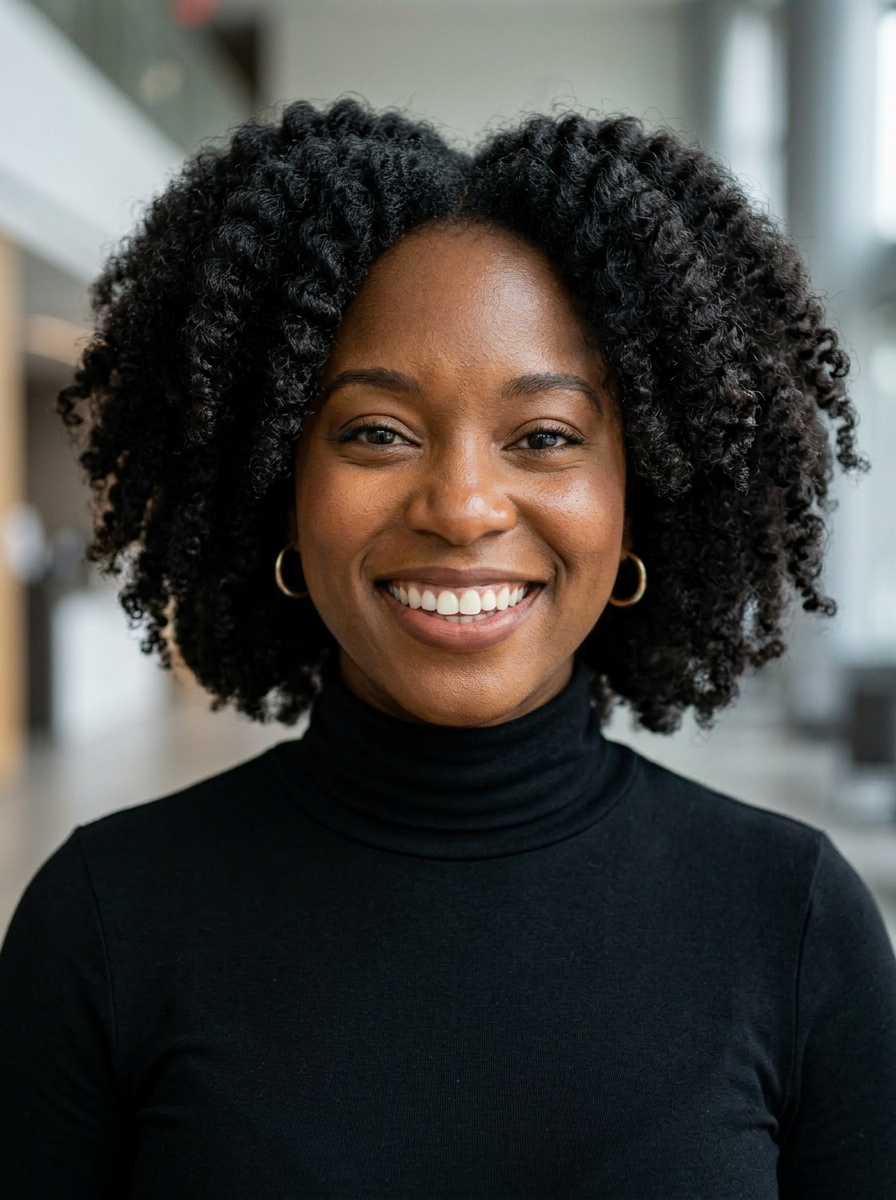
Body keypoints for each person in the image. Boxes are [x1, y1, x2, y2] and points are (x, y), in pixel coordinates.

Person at [1, 98, 894, 1199]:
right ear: (281, 484)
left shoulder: (791, 919)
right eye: (376, 431)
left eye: (544, 438)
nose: (462, 506)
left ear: (640, 500)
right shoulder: (104, 921)